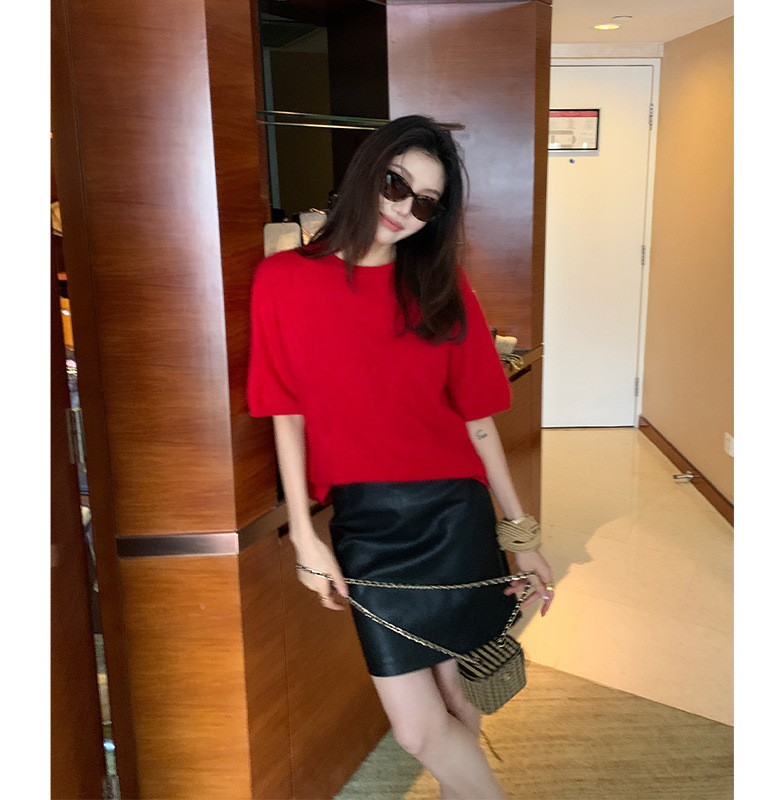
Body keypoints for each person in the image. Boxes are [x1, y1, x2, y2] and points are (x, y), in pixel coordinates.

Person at [248, 114, 554, 800]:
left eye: (426, 203)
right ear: (367, 171)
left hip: (454, 516)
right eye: (395, 184)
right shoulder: (281, 279)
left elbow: (477, 422)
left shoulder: (442, 286)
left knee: (460, 696)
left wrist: (522, 533)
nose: (404, 210)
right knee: (417, 729)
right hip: (367, 525)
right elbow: (284, 412)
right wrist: (305, 536)